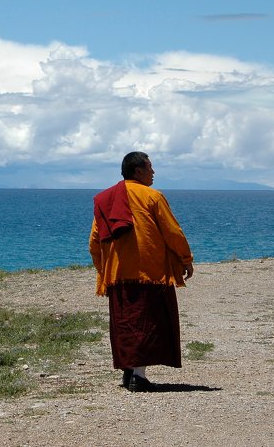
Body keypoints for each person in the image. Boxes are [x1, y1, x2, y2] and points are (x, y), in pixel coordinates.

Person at [88, 151, 194, 392]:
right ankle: (138, 375)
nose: (153, 173)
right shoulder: (152, 197)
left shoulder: (106, 199)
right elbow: (172, 232)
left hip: (117, 273)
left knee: (126, 324)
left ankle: (129, 371)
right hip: (149, 272)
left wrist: (103, 269)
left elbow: (95, 240)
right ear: (138, 171)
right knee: (146, 323)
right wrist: (185, 259)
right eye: (150, 168)